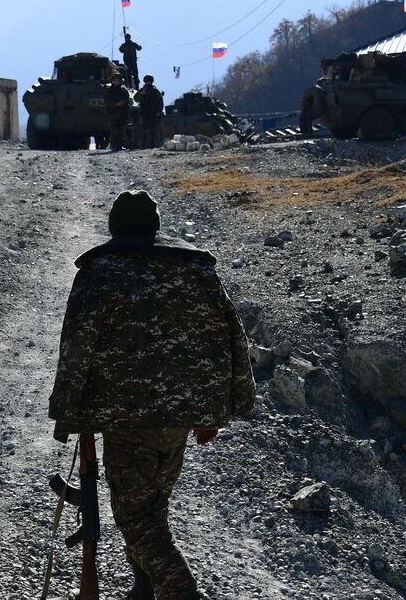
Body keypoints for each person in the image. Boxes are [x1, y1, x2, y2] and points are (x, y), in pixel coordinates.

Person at [48, 190, 256, 600]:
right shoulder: (197, 270)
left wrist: (67, 413)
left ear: (114, 228)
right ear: (155, 226)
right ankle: (143, 588)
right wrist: (223, 408)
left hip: (126, 418)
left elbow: (77, 345)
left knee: (136, 516)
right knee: (151, 508)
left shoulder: (100, 270)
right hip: (181, 416)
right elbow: (233, 337)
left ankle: (182, 592)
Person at [133, 74, 164, 149]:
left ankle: (152, 146)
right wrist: (141, 94)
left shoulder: (155, 91)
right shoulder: (142, 90)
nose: (148, 82)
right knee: (143, 130)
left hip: (153, 113)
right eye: (147, 81)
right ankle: (143, 146)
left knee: (152, 130)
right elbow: (136, 99)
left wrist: (159, 111)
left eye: (149, 81)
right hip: (144, 113)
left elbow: (160, 101)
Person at [105, 72, 132, 151]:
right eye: (116, 80)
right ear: (113, 81)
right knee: (114, 130)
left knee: (121, 130)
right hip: (113, 112)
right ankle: (113, 145)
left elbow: (127, 99)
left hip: (122, 112)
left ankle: (119, 145)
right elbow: (107, 100)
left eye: (119, 80)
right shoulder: (109, 90)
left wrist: (123, 102)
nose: (117, 81)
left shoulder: (123, 90)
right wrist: (115, 104)